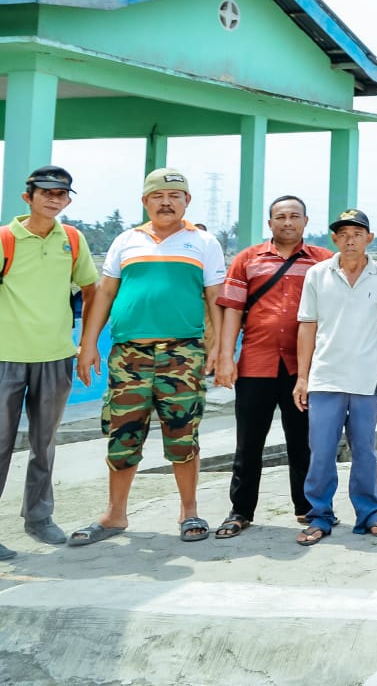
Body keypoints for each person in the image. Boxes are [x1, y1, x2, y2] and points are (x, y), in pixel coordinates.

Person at [68, 169, 225, 546]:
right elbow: (104, 295)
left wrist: (220, 346)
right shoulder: (127, 240)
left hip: (182, 353)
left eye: (175, 195)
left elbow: (217, 299)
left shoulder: (202, 242)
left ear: (187, 201)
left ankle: (189, 512)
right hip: (128, 355)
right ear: (145, 202)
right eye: (158, 196)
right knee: (122, 435)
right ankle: (115, 514)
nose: (166, 202)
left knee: (182, 435)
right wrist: (88, 344)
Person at [212, 195, 332, 539]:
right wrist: (225, 356)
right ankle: (240, 511)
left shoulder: (323, 261)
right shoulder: (247, 260)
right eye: (281, 217)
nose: (288, 222)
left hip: (304, 367)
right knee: (249, 442)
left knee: (304, 440)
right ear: (270, 223)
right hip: (255, 363)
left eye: (295, 216)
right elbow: (232, 309)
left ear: (306, 222)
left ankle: (308, 508)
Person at [0, 166, 99, 557]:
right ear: (28, 197)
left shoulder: (72, 240)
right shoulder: (6, 239)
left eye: (61, 194)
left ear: (68, 200)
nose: (54, 199)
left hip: (56, 358)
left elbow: (92, 290)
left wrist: (85, 344)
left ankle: (39, 517)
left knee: (45, 443)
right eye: (46, 192)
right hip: (5, 357)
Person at [292, 208, 377, 544]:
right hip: (325, 377)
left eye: (357, 233)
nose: (350, 240)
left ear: (370, 238)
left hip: (366, 379)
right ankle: (319, 516)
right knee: (321, 450)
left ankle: (368, 514)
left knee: (364, 449)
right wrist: (303, 377)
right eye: (343, 234)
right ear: (334, 239)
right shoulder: (318, 274)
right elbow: (307, 326)